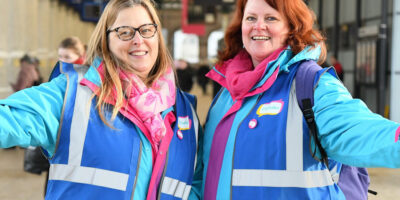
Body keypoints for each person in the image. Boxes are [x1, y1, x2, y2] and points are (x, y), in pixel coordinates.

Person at [0, 0, 202, 199]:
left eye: (147, 30)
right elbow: (8, 121)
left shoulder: (185, 112)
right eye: (125, 32)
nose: (138, 40)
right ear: (106, 41)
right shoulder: (72, 95)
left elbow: (197, 184)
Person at [199, 0, 400, 199]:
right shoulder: (225, 95)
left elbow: (357, 130)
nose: (258, 26)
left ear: (291, 28)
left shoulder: (311, 86)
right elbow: (201, 176)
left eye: (271, 18)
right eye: (251, 17)